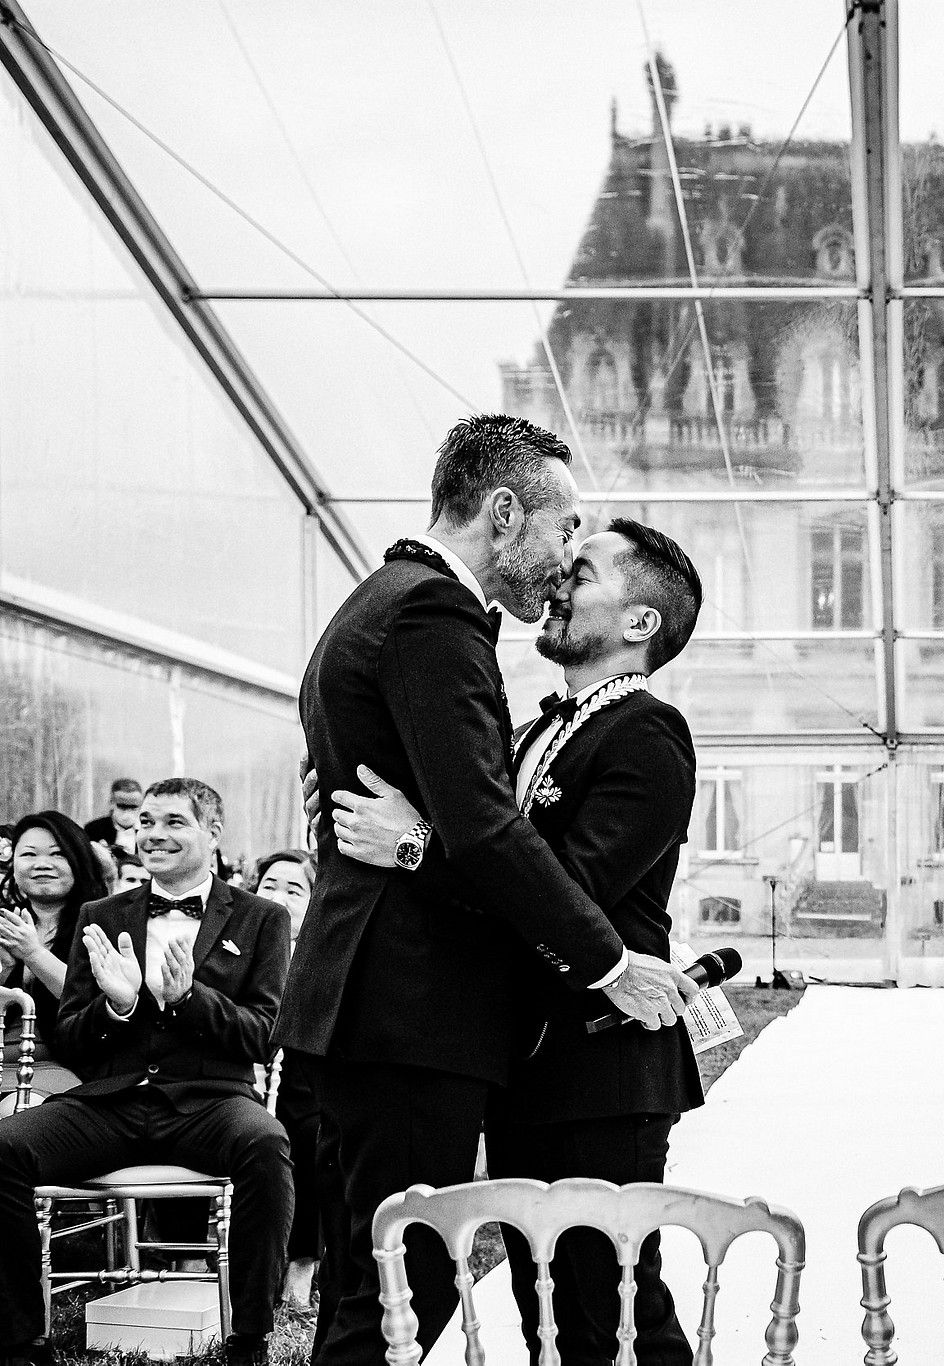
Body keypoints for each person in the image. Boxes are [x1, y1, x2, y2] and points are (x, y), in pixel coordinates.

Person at [279, 414, 688, 1366]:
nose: (560, 559)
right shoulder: (431, 614)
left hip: (447, 1027)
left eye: (583, 559)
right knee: (401, 1287)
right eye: (561, 533)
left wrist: (418, 840)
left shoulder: (385, 602)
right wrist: (609, 961)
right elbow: (490, 832)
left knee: (409, 1287)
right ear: (504, 514)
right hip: (407, 1011)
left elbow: (493, 837)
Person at [0, 779, 293, 1366]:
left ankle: (249, 1337)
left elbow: (264, 1035)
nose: (153, 834)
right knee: (4, 1147)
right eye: (147, 822)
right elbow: (74, 1042)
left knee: (267, 1146)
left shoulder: (263, 919)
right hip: (111, 1101)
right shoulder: (101, 913)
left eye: (173, 822)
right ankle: (21, 1342)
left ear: (213, 833)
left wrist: (188, 999)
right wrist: (118, 1006)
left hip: (211, 1102)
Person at [251, 850, 322, 1313]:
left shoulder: (319, 956)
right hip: (243, 1068)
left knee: (309, 1127)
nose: (277, 898)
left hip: (305, 1075)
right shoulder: (238, 947)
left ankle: (302, 1261)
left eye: (293, 890)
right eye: (268, 887)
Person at [0, 812, 108, 1099]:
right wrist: (5, 969)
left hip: (57, 1068)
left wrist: (33, 954)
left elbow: (93, 1003)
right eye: (29, 854)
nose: (42, 864)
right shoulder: (6, 923)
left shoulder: (104, 923)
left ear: (79, 861)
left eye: (57, 854)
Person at [82, 778, 143, 856]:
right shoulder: (93, 829)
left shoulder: (147, 830)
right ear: (111, 803)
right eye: (122, 806)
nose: (128, 811)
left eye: (133, 807)